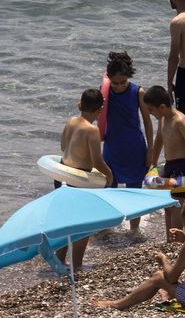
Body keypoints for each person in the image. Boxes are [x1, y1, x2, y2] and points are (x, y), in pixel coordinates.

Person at [92, 202, 185, 311]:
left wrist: (163, 260)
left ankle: (117, 304)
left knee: (159, 277)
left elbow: (171, 277)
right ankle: (168, 294)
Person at [55, 89, 113, 271]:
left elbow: (63, 146)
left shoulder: (71, 121)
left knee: (64, 222)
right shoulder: (92, 129)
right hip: (79, 180)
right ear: (100, 110)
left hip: (62, 175)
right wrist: (109, 176)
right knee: (84, 224)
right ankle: (77, 265)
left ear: (80, 105)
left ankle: (60, 261)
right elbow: (97, 161)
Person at [103, 51, 154, 234]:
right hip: (112, 147)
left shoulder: (137, 92)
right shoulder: (105, 91)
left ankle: (134, 229)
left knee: (134, 191)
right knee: (108, 188)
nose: (118, 87)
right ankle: (107, 228)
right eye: (115, 83)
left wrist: (151, 151)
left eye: (122, 82)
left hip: (135, 148)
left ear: (128, 77)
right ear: (109, 79)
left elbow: (148, 122)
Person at [143, 86, 185, 241]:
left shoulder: (178, 121)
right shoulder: (162, 119)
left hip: (182, 165)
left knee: (176, 205)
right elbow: (159, 140)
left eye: (150, 110)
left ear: (161, 107)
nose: (149, 113)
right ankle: (170, 238)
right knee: (168, 205)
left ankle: (177, 239)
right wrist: (153, 162)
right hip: (169, 164)